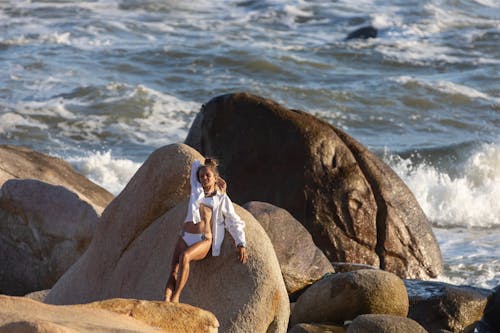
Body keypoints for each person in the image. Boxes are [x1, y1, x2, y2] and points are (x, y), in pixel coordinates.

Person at [164, 158, 248, 302]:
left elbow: (233, 220)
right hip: (184, 236)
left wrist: (241, 243)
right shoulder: (196, 189)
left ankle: (176, 297)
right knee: (173, 270)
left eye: (208, 175)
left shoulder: (221, 198)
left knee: (185, 257)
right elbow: (196, 163)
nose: (204, 178)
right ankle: (165, 300)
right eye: (201, 176)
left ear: (215, 178)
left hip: (203, 239)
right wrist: (211, 173)